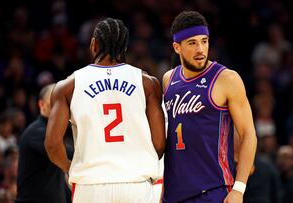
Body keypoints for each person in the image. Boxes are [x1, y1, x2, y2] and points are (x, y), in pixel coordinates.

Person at [44, 17, 166, 203]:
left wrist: (72, 168)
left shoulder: (67, 86)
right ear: (125, 48)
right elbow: (159, 144)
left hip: (91, 186)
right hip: (136, 184)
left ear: (93, 45)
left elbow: (52, 145)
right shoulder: (147, 83)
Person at [162, 11, 257, 203]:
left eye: (204, 41)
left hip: (213, 190)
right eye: (192, 43)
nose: (200, 49)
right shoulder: (168, 79)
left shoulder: (226, 79)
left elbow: (248, 134)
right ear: (177, 47)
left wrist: (239, 189)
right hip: (173, 193)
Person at [16, 83, 74, 203]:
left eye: (63, 101)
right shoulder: (36, 132)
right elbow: (70, 153)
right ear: (42, 105)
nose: (61, 106)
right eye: (54, 101)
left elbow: (55, 179)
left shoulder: (54, 130)